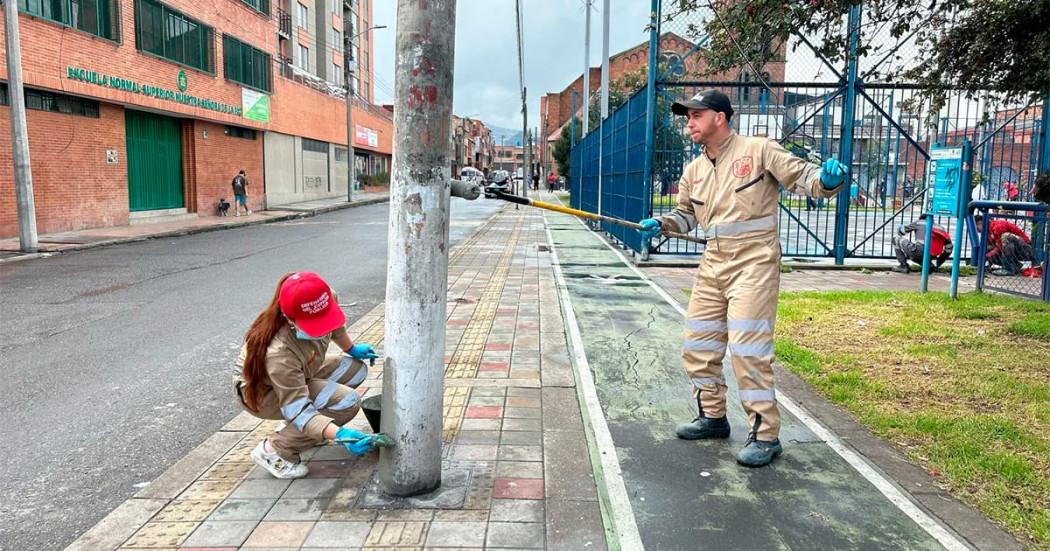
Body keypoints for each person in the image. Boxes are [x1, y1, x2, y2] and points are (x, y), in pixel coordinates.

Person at [636, 90, 847, 468]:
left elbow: (804, 176)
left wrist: (828, 181)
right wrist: (664, 223)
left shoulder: (759, 150)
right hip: (713, 262)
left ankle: (765, 435)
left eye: (696, 115)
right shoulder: (694, 170)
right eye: (688, 116)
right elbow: (687, 216)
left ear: (720, 117)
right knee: (698, 345)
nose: (690, 122)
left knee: (748, 349)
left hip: (754, 260)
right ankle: (713, 417)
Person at [235, 272, 387, 479]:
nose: (324, 329)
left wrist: (351, 348)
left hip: (301, 371)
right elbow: (298, 409)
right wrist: (339, 435)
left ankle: (308, 429)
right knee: (348, 402)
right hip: (265, 395)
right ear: (289, 319)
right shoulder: (279, 353)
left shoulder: (323, 298)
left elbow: (336, 328)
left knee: (355, 370)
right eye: (315, 326)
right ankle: (275, 451)